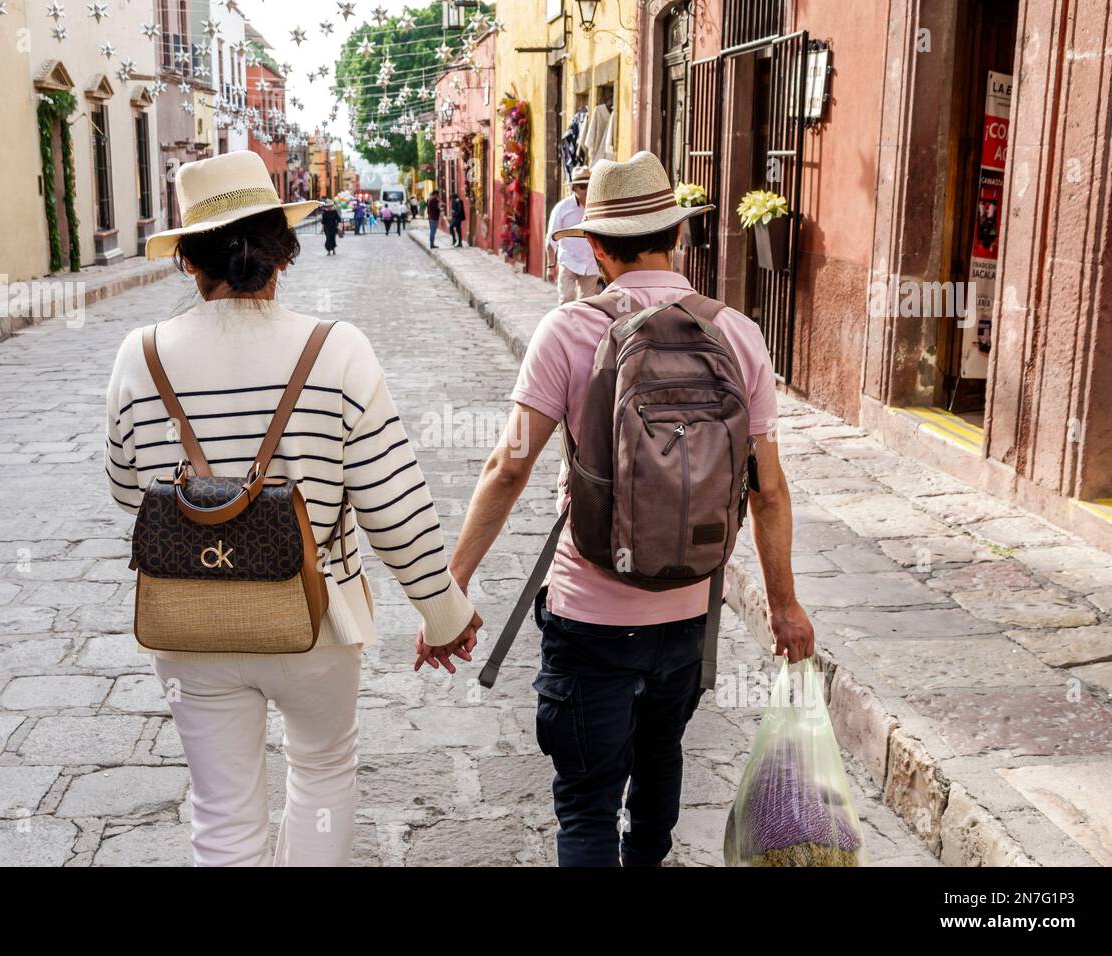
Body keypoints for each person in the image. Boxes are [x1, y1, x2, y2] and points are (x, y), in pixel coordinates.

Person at [430, 151, 813, 867]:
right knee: (660, 757)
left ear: (596, 245)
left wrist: (450, 591)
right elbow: (769, 489)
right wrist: (786, 607)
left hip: (589, 618)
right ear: (676, 234)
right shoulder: (740, 334)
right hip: (687, 612)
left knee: (585, 805)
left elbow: (508, 467)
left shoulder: (569, 331)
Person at [108, 151, 481, 866]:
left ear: (188, 260)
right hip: (319, 618)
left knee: (220, 814)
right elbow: (393, 506)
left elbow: (130, 495)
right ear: (283, 247)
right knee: (321, 772)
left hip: (191, 626)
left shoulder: (140, 355)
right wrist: (444, 615)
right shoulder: (336, 351)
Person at [546, 166, 601, 304]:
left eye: (589, 186)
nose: (587, 190)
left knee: (587, 304)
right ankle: (566, 325)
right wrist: (551, 265)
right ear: (574, 188)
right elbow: (551, 239)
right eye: (583, 186)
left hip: (591, 263)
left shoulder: (598, 208)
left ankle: (581, 326)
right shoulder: (562, 209)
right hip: (568, 260)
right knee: (566, 299)